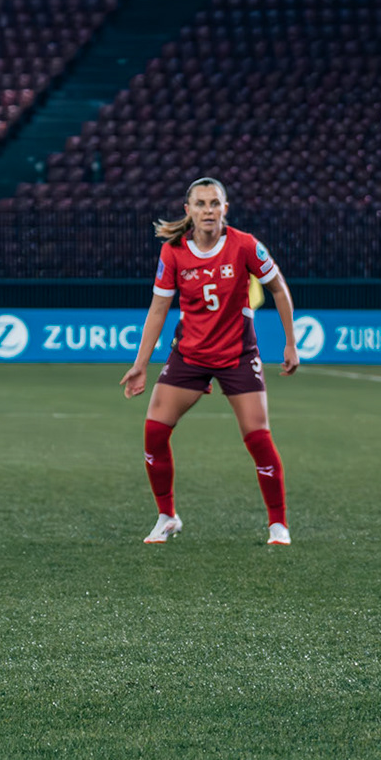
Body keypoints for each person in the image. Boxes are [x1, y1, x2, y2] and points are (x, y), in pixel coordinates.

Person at [120, 178, 300, 546]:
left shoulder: (246, 245)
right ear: (188, 211)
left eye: (214, 203)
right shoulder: (173, 252)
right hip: (191, 353)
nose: (208, 210)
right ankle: (167, 517)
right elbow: (158, 310)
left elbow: (278, 288)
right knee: (154, 432)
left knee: (258, 438)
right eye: (200, 204)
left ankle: (278, 524)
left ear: (225, 209)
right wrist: (141, 363)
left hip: (237, 354)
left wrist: (290, 344)